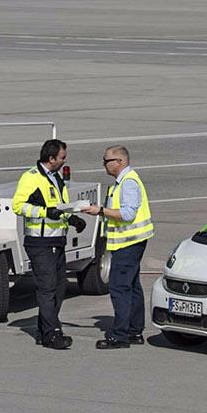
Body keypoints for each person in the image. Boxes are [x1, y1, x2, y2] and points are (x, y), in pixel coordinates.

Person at [12, 138, 85, 349]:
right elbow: (18, 206)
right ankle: (52, 333)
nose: (65, 161)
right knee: (47, 288)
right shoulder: (31, 178)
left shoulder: (55, 177)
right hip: (40, 242)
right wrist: (45, 212)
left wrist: (71, 218)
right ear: (51, 158)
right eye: (62, 157)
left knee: (59, 288)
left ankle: (44, 330)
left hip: (57, 240)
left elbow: (58, 206)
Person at [82, 145, 154, 349]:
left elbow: (128, 214)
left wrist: (101, 211)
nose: (104, 164)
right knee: (132, 286)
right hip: (130, 242)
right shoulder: (122, 182)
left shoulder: (128, 183)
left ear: (119, 162)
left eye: (107, 161)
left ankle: (120, 335)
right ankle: (134, 331)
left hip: (128, 243)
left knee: (119, 287)